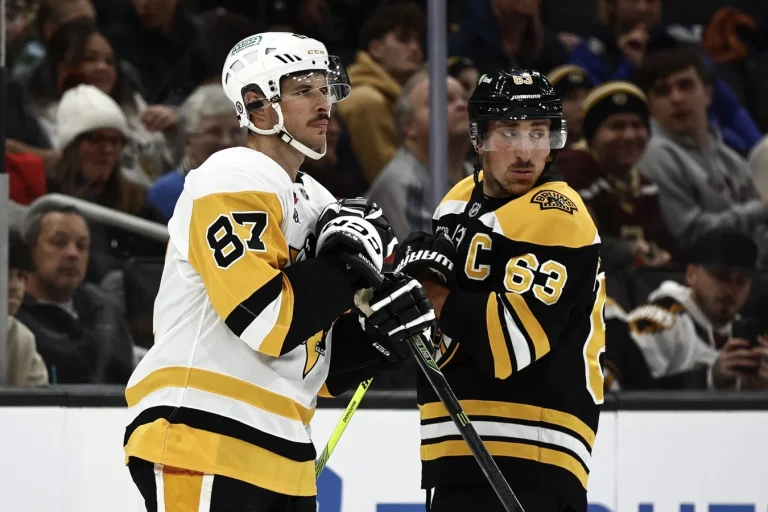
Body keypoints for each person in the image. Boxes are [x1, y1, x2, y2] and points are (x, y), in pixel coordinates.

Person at [122, 32, 436, 512]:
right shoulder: (230, 175)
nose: (323, 103)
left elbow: (317, 365)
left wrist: (380, 337)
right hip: (203, 430)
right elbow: (265, 321)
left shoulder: (320, 203)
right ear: (258, 106)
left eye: (324, 88)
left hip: (286, 454)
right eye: (303, 90)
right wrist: (343, 269)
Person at [394, 70, 605, 512]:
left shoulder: (558, 214)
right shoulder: (456, 201)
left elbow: (508, 346)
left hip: (534, 453)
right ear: (479, 139)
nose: (525, 151)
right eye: (509, 132)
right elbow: (442, 336)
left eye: (538, 132)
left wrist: (432, 294)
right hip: (456, 450)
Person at [629, 228, 768, 390]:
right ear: (691, 274)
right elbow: (632, 393)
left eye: (742, 281)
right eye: (721, 277)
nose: (731, 290)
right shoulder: (655, 323)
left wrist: (754, 389)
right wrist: (710, 378)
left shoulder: (745, 332)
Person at [367, 70, 472, 241]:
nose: (462, 105)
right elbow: (425, 256)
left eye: (465, 98)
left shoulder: (475, 174)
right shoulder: (402, 183)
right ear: (410, 126)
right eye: (445, 100)